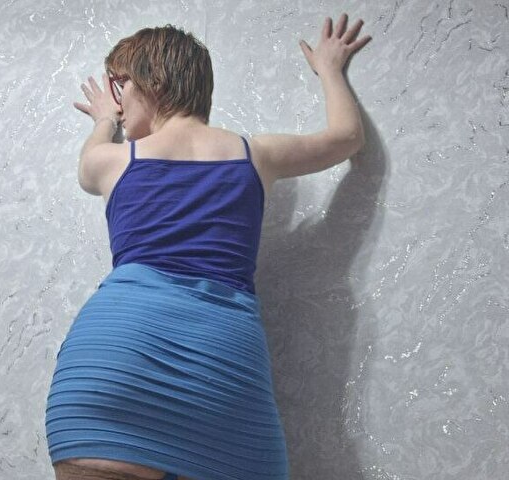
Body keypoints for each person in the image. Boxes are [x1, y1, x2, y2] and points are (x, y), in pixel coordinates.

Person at [46, 13, 370, 480]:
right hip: (222, 365)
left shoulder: (111, 161)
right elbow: (347, 138)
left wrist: (103, 121)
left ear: (151, 81)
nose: (119, 99)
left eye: (121, 84)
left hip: (112, 363)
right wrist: (330, 69)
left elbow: (86, 162)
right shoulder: (256, 155)